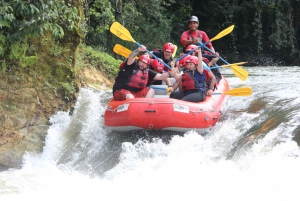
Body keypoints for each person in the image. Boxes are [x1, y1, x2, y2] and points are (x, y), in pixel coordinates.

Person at [113, 45, 178, 101]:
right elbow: (131, 57)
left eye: (145, 64)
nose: (142, 65)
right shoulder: (131, 65)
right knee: (130, 97)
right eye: (141, 62)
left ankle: (144, 107)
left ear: (147, 66)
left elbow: (161, 77)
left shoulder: (147, 71)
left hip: (136, 92)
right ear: (138, 61)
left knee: (151, 91)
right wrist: (138, 50)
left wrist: (169, 73)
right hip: (121, 90)